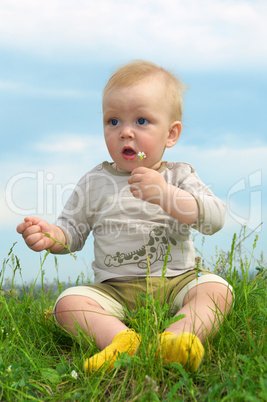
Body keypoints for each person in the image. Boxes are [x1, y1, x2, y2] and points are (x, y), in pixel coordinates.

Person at [17, 60, 233, 373]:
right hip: (114, 289)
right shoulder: (94, 182)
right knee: (68, 303)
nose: (125, 133)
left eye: (141, 120)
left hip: (177, 281)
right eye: (113, 121)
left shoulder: (178, 176)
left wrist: (167, 196)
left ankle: (176, 338)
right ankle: (120, 340)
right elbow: (72, 233)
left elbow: (214, 218)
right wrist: (52, 234)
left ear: (171, 134)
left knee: (217, 290)